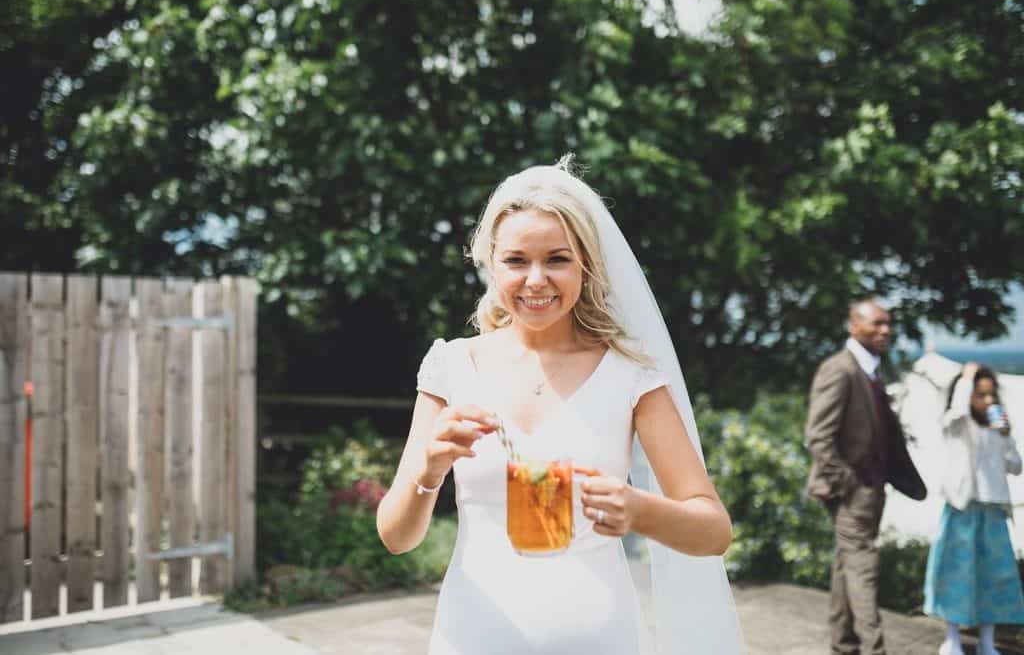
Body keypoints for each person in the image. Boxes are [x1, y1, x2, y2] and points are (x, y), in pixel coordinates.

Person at [376, 157, 745, 654]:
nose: (535, 280)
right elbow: (396, 537)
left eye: (556, 259)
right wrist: (430, 466)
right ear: (491, 263)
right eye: (515, 261)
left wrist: (639, 509)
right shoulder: (452, 368)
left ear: (585, 264)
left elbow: (713, 531)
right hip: (471, 637)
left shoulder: (631, 377)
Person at [805, 299, 927, 655]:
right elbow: (818, 437)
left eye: (888, 324)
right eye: (876, 324)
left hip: (873, 488)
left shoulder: (871, 370)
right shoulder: (839, 370)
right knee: (864, 567)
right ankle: (875, 650)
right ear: (853, 326)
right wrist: (849, 484)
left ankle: (843, 646)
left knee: (848, 567)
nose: (885, 330)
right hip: (852, 491)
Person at [924, 362, 1024, 655]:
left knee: (994, 575)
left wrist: (1006, 437)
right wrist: (965, 379)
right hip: (962, 507)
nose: (988, 401)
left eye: (991, 395)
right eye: (981, 394)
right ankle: (952, 637)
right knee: (955, 573)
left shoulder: (997, 430)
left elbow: (1016, 467)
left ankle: (987, 641)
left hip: (992, 510)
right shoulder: (958, 425)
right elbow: (957, 412)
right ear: (966, 395)